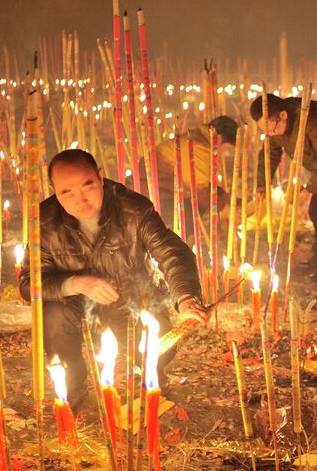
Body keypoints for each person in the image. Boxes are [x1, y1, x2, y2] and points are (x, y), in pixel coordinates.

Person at [19, 149, 209, 404]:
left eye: (87, 186)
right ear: (53, 189)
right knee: (52, 314)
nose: (80, 200)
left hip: (132, 301)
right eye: (67, 192)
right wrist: (76, 283)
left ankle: (151, 379)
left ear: (100, 177)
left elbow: (171, 252)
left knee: (158, 349)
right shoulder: (43, 222)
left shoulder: (133, 209)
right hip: (77, 307)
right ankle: (72, 385)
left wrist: (186, 297)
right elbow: (29, 282)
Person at [250, 94, 317, 286]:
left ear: (283, 115)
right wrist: (262, 184)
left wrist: (305, 187)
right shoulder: (275, 128)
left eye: (272, 128)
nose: (271, 134)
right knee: (316, 211)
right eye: (265, 131)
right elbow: (269, 154)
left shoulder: (313, 122)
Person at [155, 115, 238, 227]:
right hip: (154, 195)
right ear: (219, 139)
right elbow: (201, 194)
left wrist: (223, 196)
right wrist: (225, 208)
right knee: (190, 213)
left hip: (165, 189)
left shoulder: (200, 138)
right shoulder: (200, 148)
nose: (224, 153)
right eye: (227, 148)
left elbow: (204, 184)